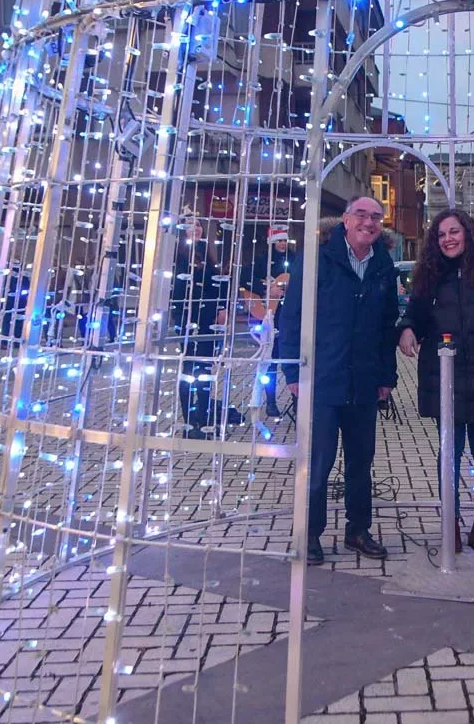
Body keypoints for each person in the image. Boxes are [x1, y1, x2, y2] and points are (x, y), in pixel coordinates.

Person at [277, 196, 399, 564]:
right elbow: (291, 319)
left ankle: (358, 530)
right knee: (318, 462)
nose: (369, 222)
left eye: (376, 216)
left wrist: (387, 376)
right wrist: (292, 371)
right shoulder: (317, 259)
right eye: (361, 214)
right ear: (345, 220)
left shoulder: (382, 264)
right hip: (322, 379)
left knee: (361, 462)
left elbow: (386, 325)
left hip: (363, 381)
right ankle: (309, 535)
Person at [398, 210, 474, 550]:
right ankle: (449, 518)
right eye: (441, 235)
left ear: (468, 233)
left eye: (454, 232)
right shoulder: (429, 276)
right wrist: (407, 328)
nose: (448, 239)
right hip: (444, 374)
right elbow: (416, 314)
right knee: (448, 451)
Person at [171, 216, 240, 437]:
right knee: (190, 372)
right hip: (189, 320)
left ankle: (202, 414)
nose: (196, 229)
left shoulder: (207, 254)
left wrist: (222, 307)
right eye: (190, 225)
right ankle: (189, 423)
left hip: (209, 322)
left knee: (205, 371)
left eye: (199, 224)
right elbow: (178, 290)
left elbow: (216, 286)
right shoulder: (179, 257)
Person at [241, 226, 292, 417]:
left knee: (291, 360)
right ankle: (271, 401)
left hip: (290, 317)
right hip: (271, 317)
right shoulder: (261, 261)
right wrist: (266, 289)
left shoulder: (294, 261)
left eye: (284, 241)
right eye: (279, 241)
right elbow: (245, 278)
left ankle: (297, 401)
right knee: (270, 360)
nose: (282, 244)